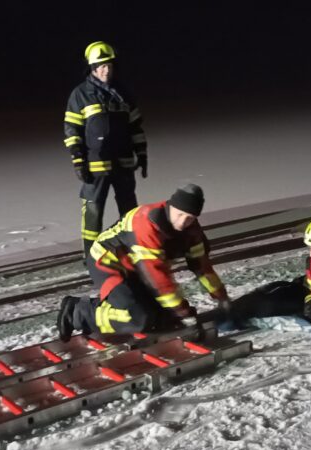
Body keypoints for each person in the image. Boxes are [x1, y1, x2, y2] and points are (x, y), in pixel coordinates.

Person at [56, 184, 231, 340]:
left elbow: (201, 266)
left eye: (190, 218)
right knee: (136, 317)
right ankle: (78, 312)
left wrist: (221, 297)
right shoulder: (146, 222)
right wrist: (182, 311)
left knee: (162, 316)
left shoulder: (192, 231)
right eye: (180, 215)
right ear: (170, 207)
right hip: (109, 263)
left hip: (136, 270)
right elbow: (156, 277)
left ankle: (125, 305)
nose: (183, 222)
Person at [63, 41, 149, 259]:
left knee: (129, 212)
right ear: (92, 68)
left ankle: (132, 250)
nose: (106, 70)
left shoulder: (123, 93)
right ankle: (91, 256)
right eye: (101, 66)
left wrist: (142, 153)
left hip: (123, 163)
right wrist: (78, 160)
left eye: (109, 65)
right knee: (93, 212)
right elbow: (72, 130)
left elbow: (135, 126)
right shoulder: (80, 94)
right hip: (95, 166)